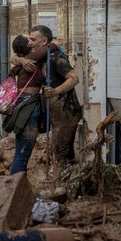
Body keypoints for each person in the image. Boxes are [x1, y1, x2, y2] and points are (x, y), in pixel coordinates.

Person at [24, 25, 81, 169]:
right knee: (61, 154)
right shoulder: (40, 57)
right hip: (55, 115)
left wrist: (56, 91)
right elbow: (16, 58)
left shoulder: (56, 58)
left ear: (44, 42)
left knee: (61, 155)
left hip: (67, 113)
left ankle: (65, 186)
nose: (29, 43)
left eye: (33, 39)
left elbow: (74, 78)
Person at [6, 35, 46, 174]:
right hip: (29, 107)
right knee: (22, 154)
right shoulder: (33, 58)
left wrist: (20, 59)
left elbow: (12, 57)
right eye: (29, 39)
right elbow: (51, 47)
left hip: (23, 104)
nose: (32, 40)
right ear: (28, 45)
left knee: (21, 152)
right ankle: (15, 189)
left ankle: (16, 187)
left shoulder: (24, 61)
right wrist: (54, 43)